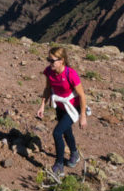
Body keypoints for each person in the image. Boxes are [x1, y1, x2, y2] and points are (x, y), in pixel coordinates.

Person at [36, 46, 87, 178]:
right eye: (48, 60)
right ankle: (74, 153)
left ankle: (59, 165)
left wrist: (83, 116)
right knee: (66, 131)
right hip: (60, 107)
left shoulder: (71, 74)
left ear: (62, 60)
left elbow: (82, 95)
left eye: (52, 60)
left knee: (57, 132)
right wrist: (42, 106)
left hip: (72, 109)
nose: (50, 63)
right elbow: (47, 89)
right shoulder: (49, 71)